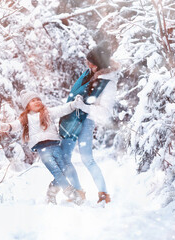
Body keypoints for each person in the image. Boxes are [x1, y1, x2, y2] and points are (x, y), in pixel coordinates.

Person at [0, 90, 86, 205]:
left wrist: (74, 104)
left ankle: (51, 192)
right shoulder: (25, 118)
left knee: (64, 170)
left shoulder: (48, 112)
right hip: (42, 149)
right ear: (27, 106)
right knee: (56, 172)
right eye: (33, 101)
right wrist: (7, 126)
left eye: (38, 99)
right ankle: (72, 194)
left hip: (55, 145)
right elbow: (16, 125)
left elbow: (62, 109)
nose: (37, 102)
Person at [60, 43, 119, 204]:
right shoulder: (88, 74)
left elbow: (104, 112)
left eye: (90, 62)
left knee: (87, 159)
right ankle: (78, 192)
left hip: (86, 121)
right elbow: (75, 93)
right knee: (65, 157)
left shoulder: (108, 83)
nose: (87, 64)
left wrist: (83, 107)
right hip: (72, 118)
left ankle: (103, 195)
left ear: (98, 63)